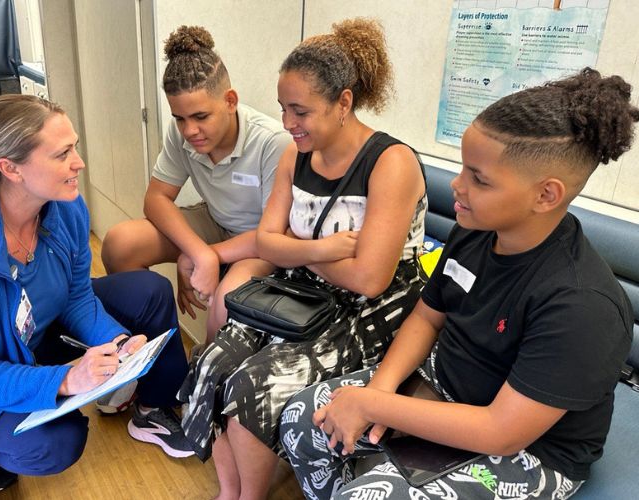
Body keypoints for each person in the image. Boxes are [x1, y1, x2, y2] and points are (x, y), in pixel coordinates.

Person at [280, 67, 637, 500]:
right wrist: (377, 392)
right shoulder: (475, 230)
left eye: (479, 179)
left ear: (546, 195)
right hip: (446, 384)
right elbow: (428, 318)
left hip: (527, 447)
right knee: (302, 418)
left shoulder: (583, 305)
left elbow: (501, 432)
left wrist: (374, 406)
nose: (456, 186)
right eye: (463, 168)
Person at [177, 18, 427, 499]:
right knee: (212, 361)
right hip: (304, 293)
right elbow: (266, 241)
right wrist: (319, 250)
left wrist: (292, 247)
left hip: (370, 311)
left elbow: (370, 279)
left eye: (300, 111)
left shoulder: (390, 163)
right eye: (282, 109)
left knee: (253, 385)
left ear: (344, 103)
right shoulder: (296, 155)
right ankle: (230, 492)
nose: (288, 123)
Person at [0, 94, 193, 493]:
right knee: (54, 443)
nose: (79, 162)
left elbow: (76, 298)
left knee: (150, 291)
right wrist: (69, 378)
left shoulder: (64, 207)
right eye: (63, 154)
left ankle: (151, 409)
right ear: (11, 168)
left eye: (75, 147)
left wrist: (119, 344)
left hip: (39, 336)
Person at [101, 25, 290, 346]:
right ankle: (151, 353)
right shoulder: (183, 133)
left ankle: (204, 375)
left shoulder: (274, 142)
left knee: (224, 302)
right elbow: (157, 198)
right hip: (215, 222)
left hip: (261, 240)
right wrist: (197, 250)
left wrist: (205, 255)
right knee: (120, 243)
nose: (190, 130)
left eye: (201, 116)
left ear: (230, 101)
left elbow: (278, 235)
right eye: (179, 118)